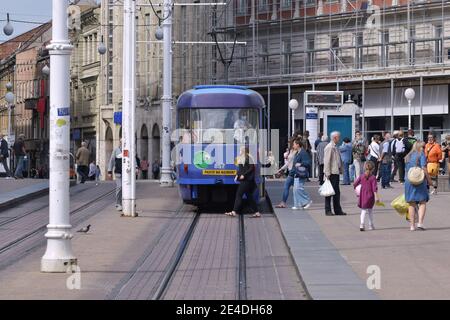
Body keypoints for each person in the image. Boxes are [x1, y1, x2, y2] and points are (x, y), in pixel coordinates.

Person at [225, 146, 261, 218]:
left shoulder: (248, 158)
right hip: (246, 180)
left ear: (244, 151)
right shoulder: (242, 158)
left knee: (239, 194)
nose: (239, 151)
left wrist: (244, 175)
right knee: (249, 196)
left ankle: (234, 212)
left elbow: (251, 168)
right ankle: (257, 212)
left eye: (240, 150)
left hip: (247, 180)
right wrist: (237, 175)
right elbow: (241, 169)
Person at [404, 141, 432, 231]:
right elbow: (424, 168)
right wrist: (429, 180)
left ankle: (412, 226)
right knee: (422, 201)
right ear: (420, 147)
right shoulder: (421, 154)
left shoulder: (408, 156)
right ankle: (420, 222)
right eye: (423, 147)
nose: (424, 148)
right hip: (419, 180)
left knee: (411, 203)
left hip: (409, 180)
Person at [323, 131, 346, 216]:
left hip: (336, 172)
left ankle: (337, 210)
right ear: (334, 138)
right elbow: (327, 161)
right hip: (331, 173)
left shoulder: (335, 147)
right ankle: (328, 210)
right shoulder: (329, 147)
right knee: (329, 192)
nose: (339, 139)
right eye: (338, 137)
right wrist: (327, 173)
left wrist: (340, 169)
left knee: (336, 192)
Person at [354, 161, 379, 231]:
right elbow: (374, 188)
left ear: (364, 168)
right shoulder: (373, 178)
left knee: (363, 210)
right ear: (373, 169)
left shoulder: (361, 176)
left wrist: (356, 190)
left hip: (363, 196)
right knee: (370, 211)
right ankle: (371, 225)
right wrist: (376, 196)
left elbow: (355, 183)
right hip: (370, 196)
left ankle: (362, 224)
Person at [290, 139, 313, 210]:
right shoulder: (298, 152)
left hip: (301, 173)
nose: (293, 146)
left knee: (298, 188)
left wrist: (301, 164)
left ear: (298, 145)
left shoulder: (303, 153)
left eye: (294, 144)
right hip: (297, 173)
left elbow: (308, 162)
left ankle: (307, 200)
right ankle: (297, 204)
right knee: (295, 189)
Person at [275, 140, 297, 208]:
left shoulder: (296, 152)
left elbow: (289, 162)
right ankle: (303, 201)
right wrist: (281, 169)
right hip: (291, 171)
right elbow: (288, 163)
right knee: (297, 188)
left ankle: (283, 203)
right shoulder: (291, 151)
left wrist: (281, 169)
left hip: (293, 172)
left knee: (287, 186)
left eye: (291, 143)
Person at [108, 139, 123, 211]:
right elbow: (111, 160)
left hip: (127, 173)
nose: (123, 143)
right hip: (118, 172)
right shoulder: (116, 150)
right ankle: (118, 204)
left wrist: (136, 167)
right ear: (120, 143)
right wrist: (109, 171)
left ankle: (125, 202)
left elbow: (134, 159)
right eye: (122, 142)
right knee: (120, 187)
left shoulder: (129, 149)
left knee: (126, 188)